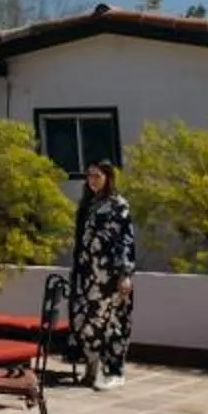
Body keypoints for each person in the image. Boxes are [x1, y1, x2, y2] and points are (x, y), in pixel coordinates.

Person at [70, 159, 136, 389]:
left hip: (110, 277)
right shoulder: (89, 204)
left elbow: (126, 241)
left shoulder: (118, 205)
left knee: (113, 322)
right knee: (88, 322)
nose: (92, 180)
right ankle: (92, 368)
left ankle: (115, 372)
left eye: (97, 176)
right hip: (89, 277)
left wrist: (125, 273)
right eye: (89, 176)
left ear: (108, 177)